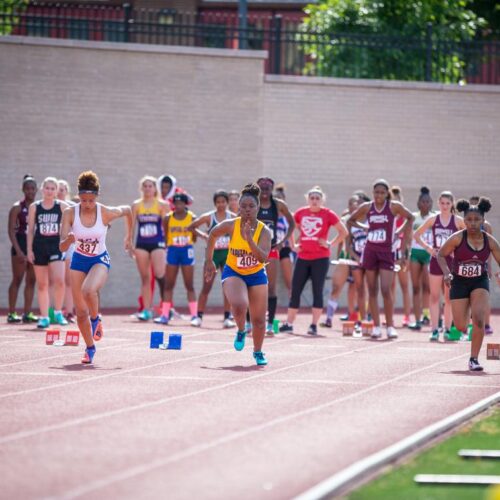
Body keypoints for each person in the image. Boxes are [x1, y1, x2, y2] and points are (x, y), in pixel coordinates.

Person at [59, 171, 132, 364]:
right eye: (84, 201)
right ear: (79, 197)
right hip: (79, 261)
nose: (88, 205)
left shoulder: (105, 212)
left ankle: (95, 320)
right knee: (79, 312)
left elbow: (128, 210)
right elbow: (61, 246)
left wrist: (128, 237)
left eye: (91, 200)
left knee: (88, 290)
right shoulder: (69, 213)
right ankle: (90, 348)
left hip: (99, 259)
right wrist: (68, 240)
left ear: (97, 197)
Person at [204, 183, 272, 365]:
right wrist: (208, 260)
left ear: (258, 208)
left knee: (258, 320)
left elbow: (264, 258)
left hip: (256, 273)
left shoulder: (263, 231)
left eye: (251, 206)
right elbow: (212, 235)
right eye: (244, 206)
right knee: (240, 304)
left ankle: (258, 351)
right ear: (238, 208)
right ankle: (241, 329)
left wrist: (249, 240)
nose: (247, 210)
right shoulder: (231, 225)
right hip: (234, 271)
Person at [438, 198, 500, 371]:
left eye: (477, 220)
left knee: (479, 320)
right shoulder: (458, 238)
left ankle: (474, 359)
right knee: (461, 326)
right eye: (469, 220)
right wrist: (447, 273)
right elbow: (441, 255)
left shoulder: (490, 241)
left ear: (483, 221)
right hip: (459, 282)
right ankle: (470, 315)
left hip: (479, 281)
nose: (473, 223)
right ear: (464, 221)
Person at [347, 179, 414, 339]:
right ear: (372, 193)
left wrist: (399, 233)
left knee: (386, 288)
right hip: (370, 251)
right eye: (376, 192)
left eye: (382, 192)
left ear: (387, 193)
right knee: (372, 289)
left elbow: (410, 218)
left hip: (386, 252)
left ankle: (390, 325)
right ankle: (376, 326)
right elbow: (350, 220)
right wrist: (365, 228)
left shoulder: (393, 206)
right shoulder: (367, 207)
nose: (379, 195)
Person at [279, 186, 347, 335]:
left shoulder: (328, 214)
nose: (314, 201)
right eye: (312, 198)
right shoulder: (301, 213)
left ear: (322, 200)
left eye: (317, 198)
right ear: (307, 199)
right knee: (295, 290)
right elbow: (290, 228)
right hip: (303, 257)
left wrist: (330, 244)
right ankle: (289, 323)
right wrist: (293, 246)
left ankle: (314, 325)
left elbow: (344, 232)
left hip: (320, 258)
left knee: (318, 291)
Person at [414, 191, 465, 341]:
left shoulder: (458, 221)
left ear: (452, 204)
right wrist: (429, 248)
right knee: (434, 296)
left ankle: (447, 329)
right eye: (442, 203)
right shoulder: (433, 219)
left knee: (449, 298)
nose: (444, 206)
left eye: (447, 203)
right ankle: (434, 329)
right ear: (438, 203)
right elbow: (417, 234)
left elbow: (469, 235)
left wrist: (459, 252)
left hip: (451, 262)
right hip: (437, 260)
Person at [188, 189, 236, 328]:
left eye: (223, 202)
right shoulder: (209, 217)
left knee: (227, 287)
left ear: (227, 203)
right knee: (206, 286)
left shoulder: (232, 217)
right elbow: (191, 227)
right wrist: (204, 236)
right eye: (218, 202)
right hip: (213, 255)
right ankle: (198, 316)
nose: (221, 204)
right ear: (215, 203)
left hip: (227, 255)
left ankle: (227, 317)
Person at [27, 177, 69, 329]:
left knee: (59, 280)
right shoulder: (34, 207)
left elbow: (75, 218)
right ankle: (44, 317)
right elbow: (31, 230)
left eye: (53, 188)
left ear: (56, 191)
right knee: (42, 284)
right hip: (39, 246)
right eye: (47, 188)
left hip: (55, 246)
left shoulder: (62, 206)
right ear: (42, 189)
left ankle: (58, 312)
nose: (50, 191)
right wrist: (29, 250)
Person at [256, 177, 295, 334]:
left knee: (270, 288)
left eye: (267, 188)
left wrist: (282, 241)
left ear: (271, 189)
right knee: (251, 285)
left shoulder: (278, 205)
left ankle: (270, 324)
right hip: (253, 249)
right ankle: (249, 323)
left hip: (271, 249)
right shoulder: (252, 203)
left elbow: (292, 224)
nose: (264, 191)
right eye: (262, 188)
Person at [154, 193, 199, 326]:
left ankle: (195, 316)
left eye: (181, 203)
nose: (178, 206)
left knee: (189, 284)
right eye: (175, 203)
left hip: (186, 250)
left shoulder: (192, 217)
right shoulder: (168, 218)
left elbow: (194, 237)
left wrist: (186, 241)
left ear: (185, 204)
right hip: (173, 250)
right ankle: (165, 315)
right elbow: (166, 235)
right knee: (169, 284)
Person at [322, 195, 367, 328]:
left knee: (359, 289)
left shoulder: (370, 220)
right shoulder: (346, 219)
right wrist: (339, 257)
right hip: (346, 256)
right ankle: (329, 318)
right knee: (337, 286)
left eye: (358, 203)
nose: (354, 205)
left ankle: (359, 318)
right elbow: (343, 241)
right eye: (352, 203)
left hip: (362, 258)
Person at [131, 176, 169, 321]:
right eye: (145, 186)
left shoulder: (162, 204)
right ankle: (146, 310)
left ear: (155, 188)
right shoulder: (136, 205)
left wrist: (167, 243)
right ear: (141, 188)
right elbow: (132, 225)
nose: (147, 188)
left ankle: (166, 307)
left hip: (158, 243)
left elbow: (167, 226)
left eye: (150, 186)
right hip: (141, 244)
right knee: (145, 278)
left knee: (160, 275)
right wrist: (129, 241)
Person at [7, 175, 38, 324]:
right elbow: (11, 231)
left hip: (34, 247)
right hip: (19, 245)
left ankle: (27, 313)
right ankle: (12, 313)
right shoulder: (17, 207)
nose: (30, 191)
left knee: (31, 281)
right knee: (17, 279)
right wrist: (18, 251)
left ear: (36, 190)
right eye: (28, 188)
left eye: (33, 188)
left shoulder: (39, 207)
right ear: (23, 190)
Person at [408, 187, 434, 330]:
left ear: (431, 203)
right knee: (415, 287)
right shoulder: (413, 217)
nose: (425, 204)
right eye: (423, 201)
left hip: (428, 254)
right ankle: (417, 319)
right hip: (415, 253)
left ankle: (426, 315)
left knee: (427, 287)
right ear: (418, 203)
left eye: (428, 201)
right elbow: (407, 237)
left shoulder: (434, 217)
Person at [470, 195, 494, 335]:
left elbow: (491, 248)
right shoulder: (465, 224)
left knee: (484, 295)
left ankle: (487, 323)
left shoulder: (487, 226)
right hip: (468, 264)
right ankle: (469, 326)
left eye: (476, 206)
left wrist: (489, 265)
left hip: (482, 264)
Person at [390, 186, 412, 327]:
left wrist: (406, 256)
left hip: (401, 253)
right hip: (389, 254)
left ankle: (407, 317)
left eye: (398, 201)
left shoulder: (405, 218)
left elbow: (409, 238)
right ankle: (389, 316)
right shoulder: (388, 216)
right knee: (389, 287)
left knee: (404, 286)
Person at [57, 179, 77, 323]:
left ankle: (69, 311)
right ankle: (55, 310)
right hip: (52, 245)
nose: (59, 191)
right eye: (58, 189)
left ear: (67, 191)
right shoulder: (48, 206)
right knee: (56, 280)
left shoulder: (72, 207)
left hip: (69, 245)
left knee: (68, 280)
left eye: (62, 189)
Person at [274, 184, 295, 297]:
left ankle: (293, 303)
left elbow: (295, 230)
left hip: (285, 249)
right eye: (276, 198)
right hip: (271, 248)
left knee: (289, 280)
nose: (279, 200)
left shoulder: (289, 216)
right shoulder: (270, 214)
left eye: (281, 198)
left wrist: (294, 245)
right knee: (268, 278)